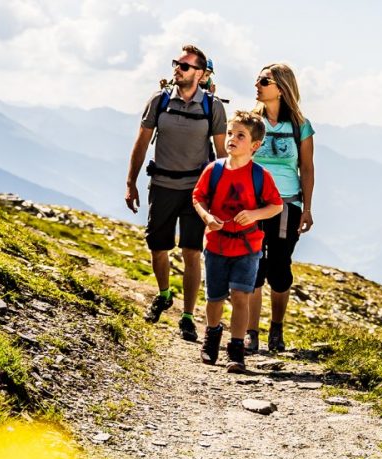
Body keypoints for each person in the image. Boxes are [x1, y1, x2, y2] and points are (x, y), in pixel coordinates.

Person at [126, 45, 227, 341]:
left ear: (200, 73)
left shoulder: (213, 107)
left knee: (192, 252)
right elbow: (141, 143)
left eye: (184, 66)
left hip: (198, 191)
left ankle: (187, 316)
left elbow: (222, 155)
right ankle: (165, 294)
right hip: (162, 185)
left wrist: (223, 196)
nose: (177, 69)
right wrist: (130, 182)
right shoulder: (159, 101)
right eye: (176, 64)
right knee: (158, 247)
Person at [192, 112, 283, 372]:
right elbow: (198, 197)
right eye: (230, 133)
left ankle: (236, 348)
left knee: (241, 296)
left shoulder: (260, 176)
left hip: (247, 247)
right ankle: (212, 335)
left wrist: (254, 214)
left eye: (240, 135)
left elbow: (276, 206)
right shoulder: (214, 170)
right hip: (217, 244)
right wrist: (207, 217)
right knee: (214, 298)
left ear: (255, 145)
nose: (231, 139)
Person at [244, 63, 315, 354]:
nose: (257, 85)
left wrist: (307, 208)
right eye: (258, 79)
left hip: (287, 204)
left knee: (280, 269)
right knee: (254, 267)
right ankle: (251, 332)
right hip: (252, 203)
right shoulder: (250, 122)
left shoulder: (300, 126)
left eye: (264, 81)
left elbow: (307, 168)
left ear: (282, 88)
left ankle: (276, 329)